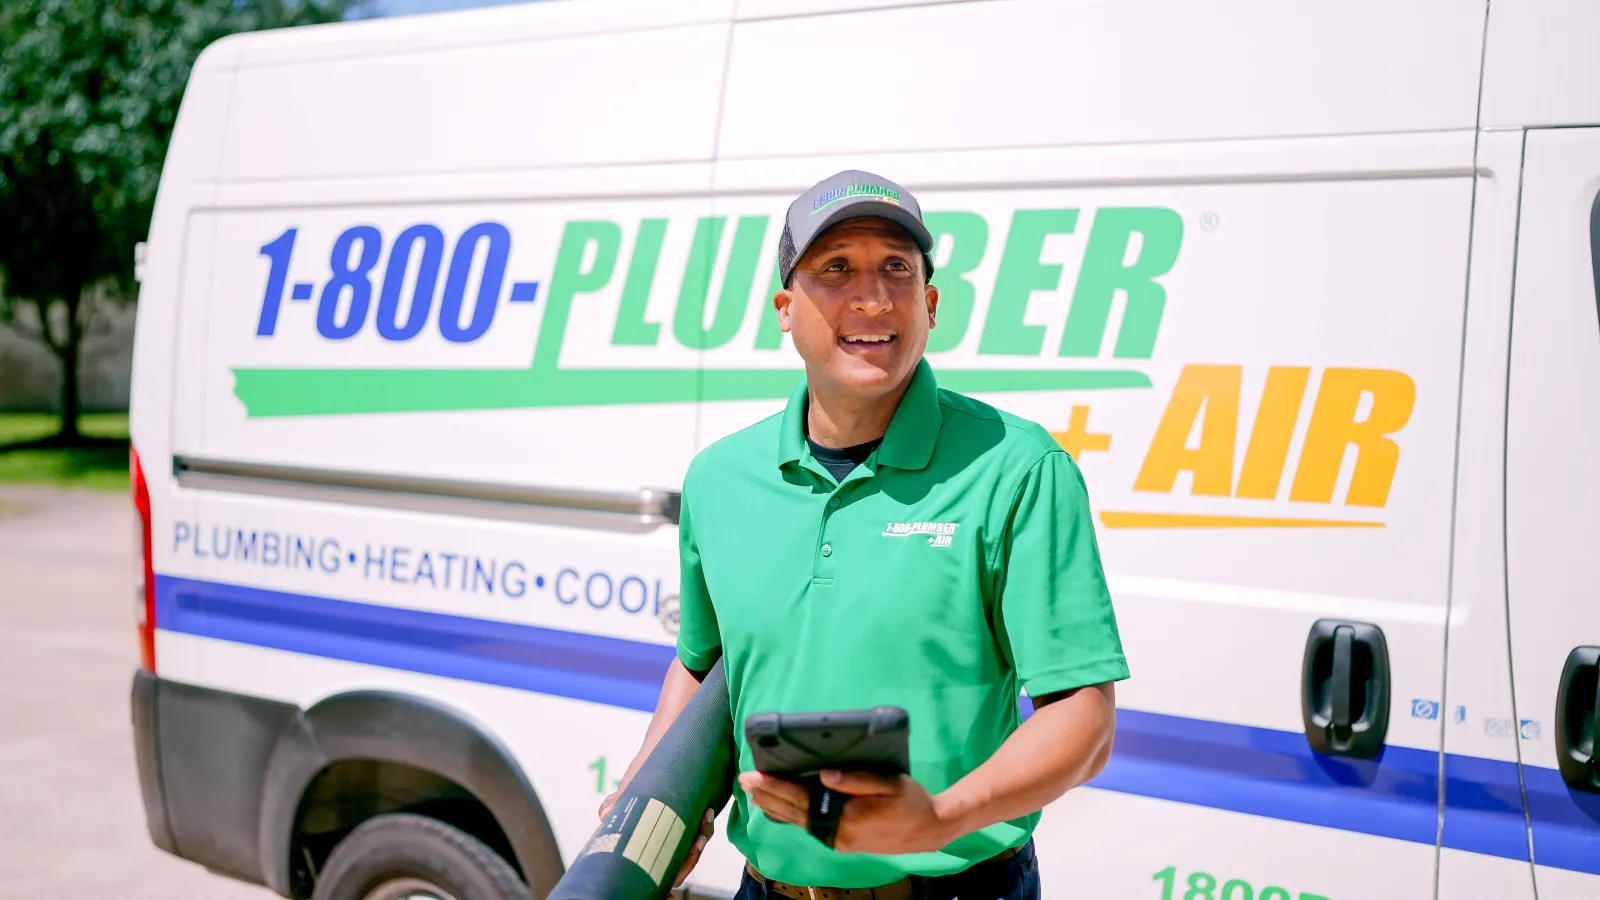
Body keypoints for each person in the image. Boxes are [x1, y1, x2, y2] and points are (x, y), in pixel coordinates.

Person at [600, 169, 1130, 900]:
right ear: (786, 308)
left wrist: (938, 819)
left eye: (896, 270)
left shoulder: (1020, 468)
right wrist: (653, 801)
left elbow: (1084, 718)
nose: (873, 298)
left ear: (930, 304)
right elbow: (704, 666)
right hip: (769, 888)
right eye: (837, 269)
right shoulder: (720, 480)